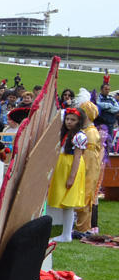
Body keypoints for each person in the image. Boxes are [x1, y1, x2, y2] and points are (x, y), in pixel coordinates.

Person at [46, 108, 87, 243]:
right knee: (63, 200)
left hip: (70, 168)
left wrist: (72, 177)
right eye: (68, 119)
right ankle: (65, 232)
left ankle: (66, 234)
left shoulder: (79, 136)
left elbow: (77, 158)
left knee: (68, 201)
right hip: (62, 166)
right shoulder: (65, 134)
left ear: (79, 121)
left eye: (73, 120)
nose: (69, 122)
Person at [73, 101, 103, 238]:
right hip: (84, 168)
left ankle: (82, 227)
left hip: (87, 170)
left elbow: (89, 159)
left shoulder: (90, 133)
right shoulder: (86, 130)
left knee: (85, 196)